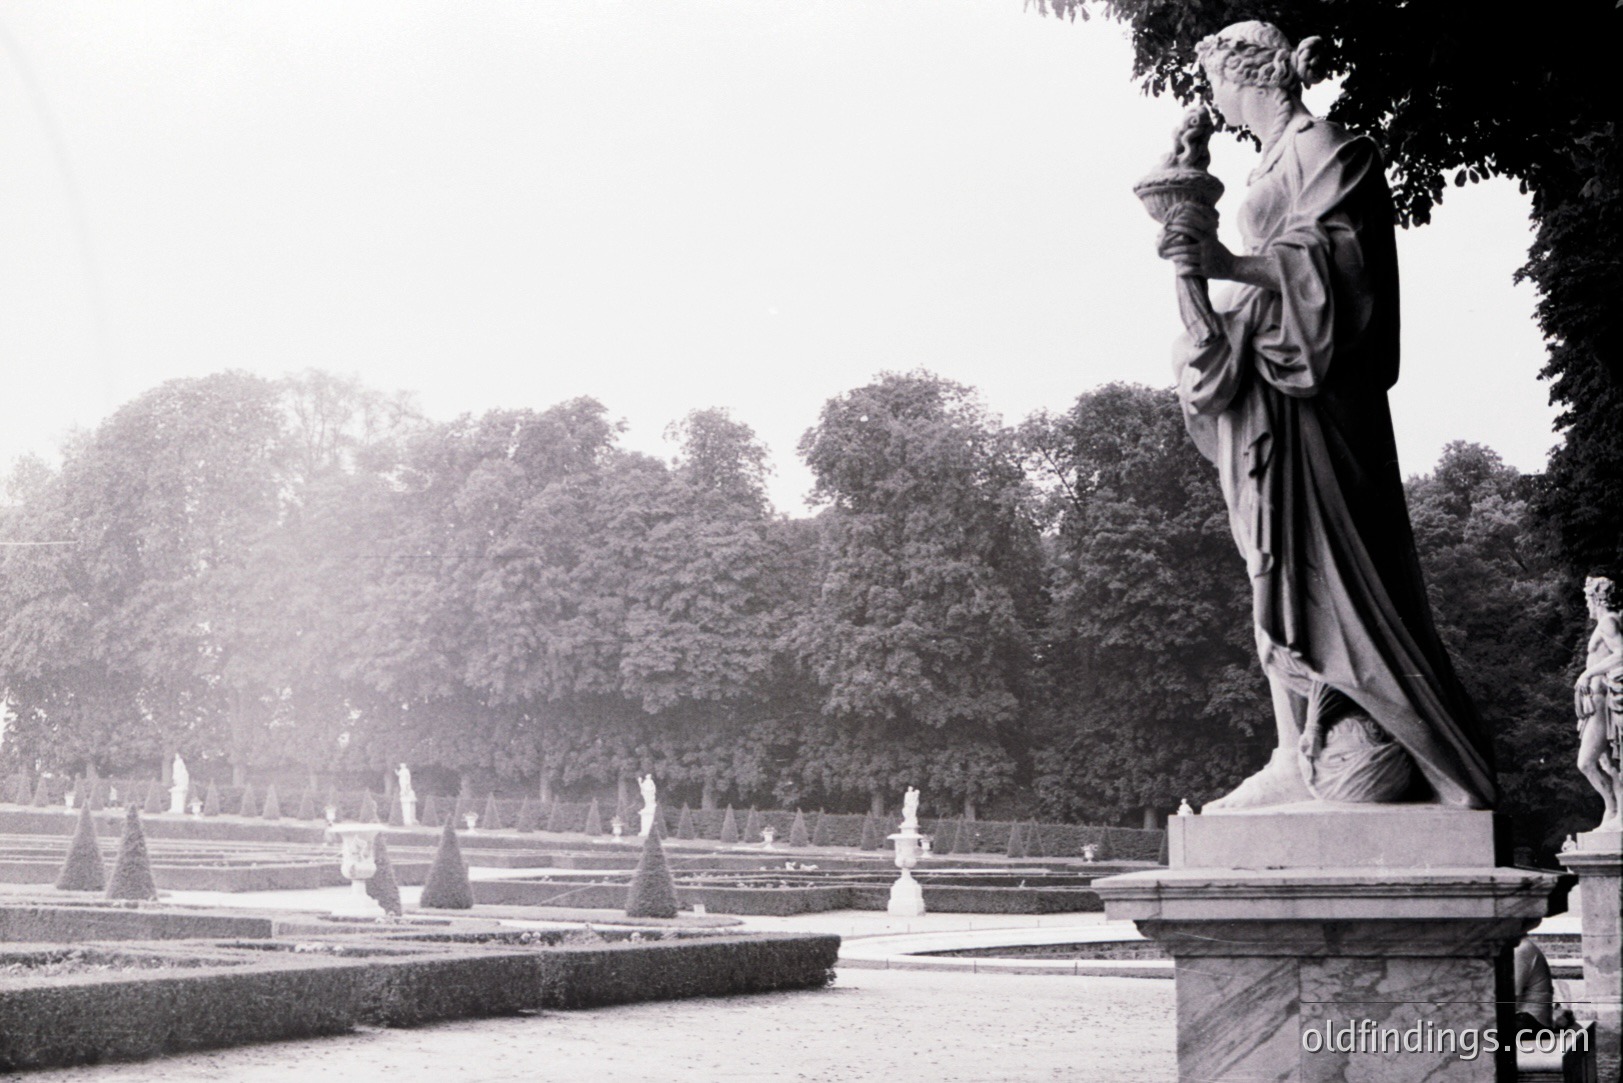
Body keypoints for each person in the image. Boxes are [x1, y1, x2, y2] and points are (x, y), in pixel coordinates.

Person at [1156, 21, 1495, 810]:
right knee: (1268, 566)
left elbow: (1343, 274)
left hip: (1318, 398)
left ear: (1247, 74)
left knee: (1332, 571)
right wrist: (1190, 186)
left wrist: (1230, 264)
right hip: (1265, 389)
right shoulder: (1271, 161)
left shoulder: (1334, 148)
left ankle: (1379, 738)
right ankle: (1292, 749)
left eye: (1212, 79)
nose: (1208, 98)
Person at [1575, 576, 1622, 829]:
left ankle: (1613, 806)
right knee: (1607, 762)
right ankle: (1614, 811)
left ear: (1596, 598)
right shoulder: (1605, 623)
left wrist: (1587, 673)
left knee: (1586, 762)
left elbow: (1622, 653)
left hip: (1602, 702)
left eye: (1587, 599)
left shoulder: (1608, 622)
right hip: (1593, 702)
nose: (1586, 605)